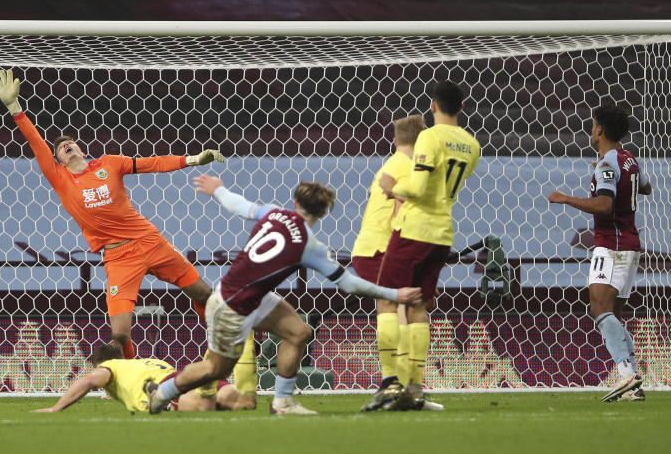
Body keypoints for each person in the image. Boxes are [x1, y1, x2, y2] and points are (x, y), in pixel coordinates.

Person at [0, 69, 220, 359]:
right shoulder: (60, 178)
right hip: (119, 258)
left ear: (81, 148)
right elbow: (35, 141)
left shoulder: (109, 163)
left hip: (150, 241)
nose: (65, 145)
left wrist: (193, 159)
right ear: (57, 161)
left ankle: (224, 347)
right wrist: (14, 107)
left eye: (69, 141)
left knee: (204, 295)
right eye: (60, 147)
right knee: (120, 334)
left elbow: (153, 164)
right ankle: (129, 378)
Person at [148, 175, 421, 415]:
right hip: (231, 306)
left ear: (295, 202)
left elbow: (238, 205)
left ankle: (283, 402)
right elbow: (349, 284)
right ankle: (162, 393)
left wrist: (218, 189)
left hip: (252, 297)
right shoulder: (308, 244)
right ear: (324, 213)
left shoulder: (274, 213)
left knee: (299, 332)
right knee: (216, 370)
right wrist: (395, 294)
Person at [377, 80, 481, 410]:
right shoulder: (472, 145)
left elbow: (419, 187)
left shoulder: (429, 136)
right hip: (442, 235)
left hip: (415, 229)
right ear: (462, 108)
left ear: (433, 106)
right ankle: (416, 388)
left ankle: (392, 384)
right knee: (418, 305)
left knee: (389, 302)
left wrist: (393, 187)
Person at [548, 103, 651, 402]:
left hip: (612, 245)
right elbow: (646, 188)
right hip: (630, 246)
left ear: (599, 129)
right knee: (614, 314)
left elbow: (605, 206)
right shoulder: (629, 159)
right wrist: (610, 176)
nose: (591, 128)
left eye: (593, 124)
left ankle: (626, 374)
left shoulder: (608, 163)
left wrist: (567, 198)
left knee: (599, 307)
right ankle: (632, 384)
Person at [352, 114, 428, 411]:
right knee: (398, 306)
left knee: (408, 307)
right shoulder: (411, 168)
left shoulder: (392, 165)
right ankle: (399, 382)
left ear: (395, 141)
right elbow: (400, 214)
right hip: (385, 247)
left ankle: (405, 385)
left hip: (373, 246)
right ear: (422, 142)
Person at [31, 344, 256, 413]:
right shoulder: (145, 362)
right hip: (178, 375)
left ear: (100, 364)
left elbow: (89, 381)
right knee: (239, 403)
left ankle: (164, 395)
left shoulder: (110, 367)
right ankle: (211, 374)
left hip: (170, 389)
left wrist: (56, 407)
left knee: (205, 408)